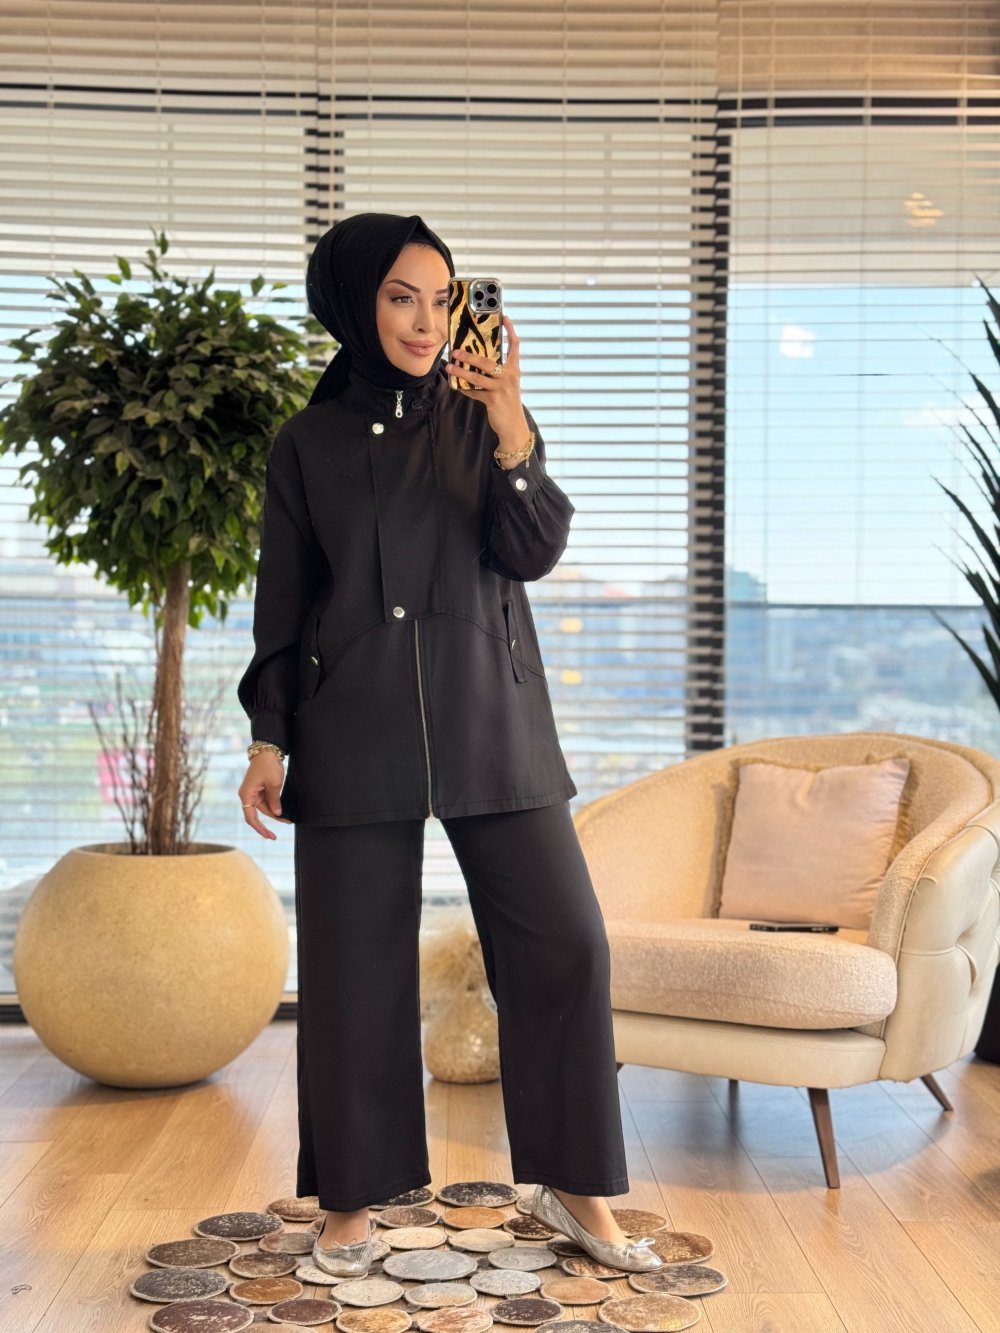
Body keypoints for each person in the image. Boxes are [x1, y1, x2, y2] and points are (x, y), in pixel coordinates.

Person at [236, 212, 663, 1277]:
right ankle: (351, 1200)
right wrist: (267, 737)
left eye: (441, 298)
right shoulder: (307, 444)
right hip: (350, 725)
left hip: (493, 718)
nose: (426, 322)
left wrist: (514, 433)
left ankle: (575, 1190)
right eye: (400, 297)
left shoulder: (486, 419)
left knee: (566, 944)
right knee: (352, 967)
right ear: (354, 303)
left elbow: (534, 549)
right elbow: (284, 602)